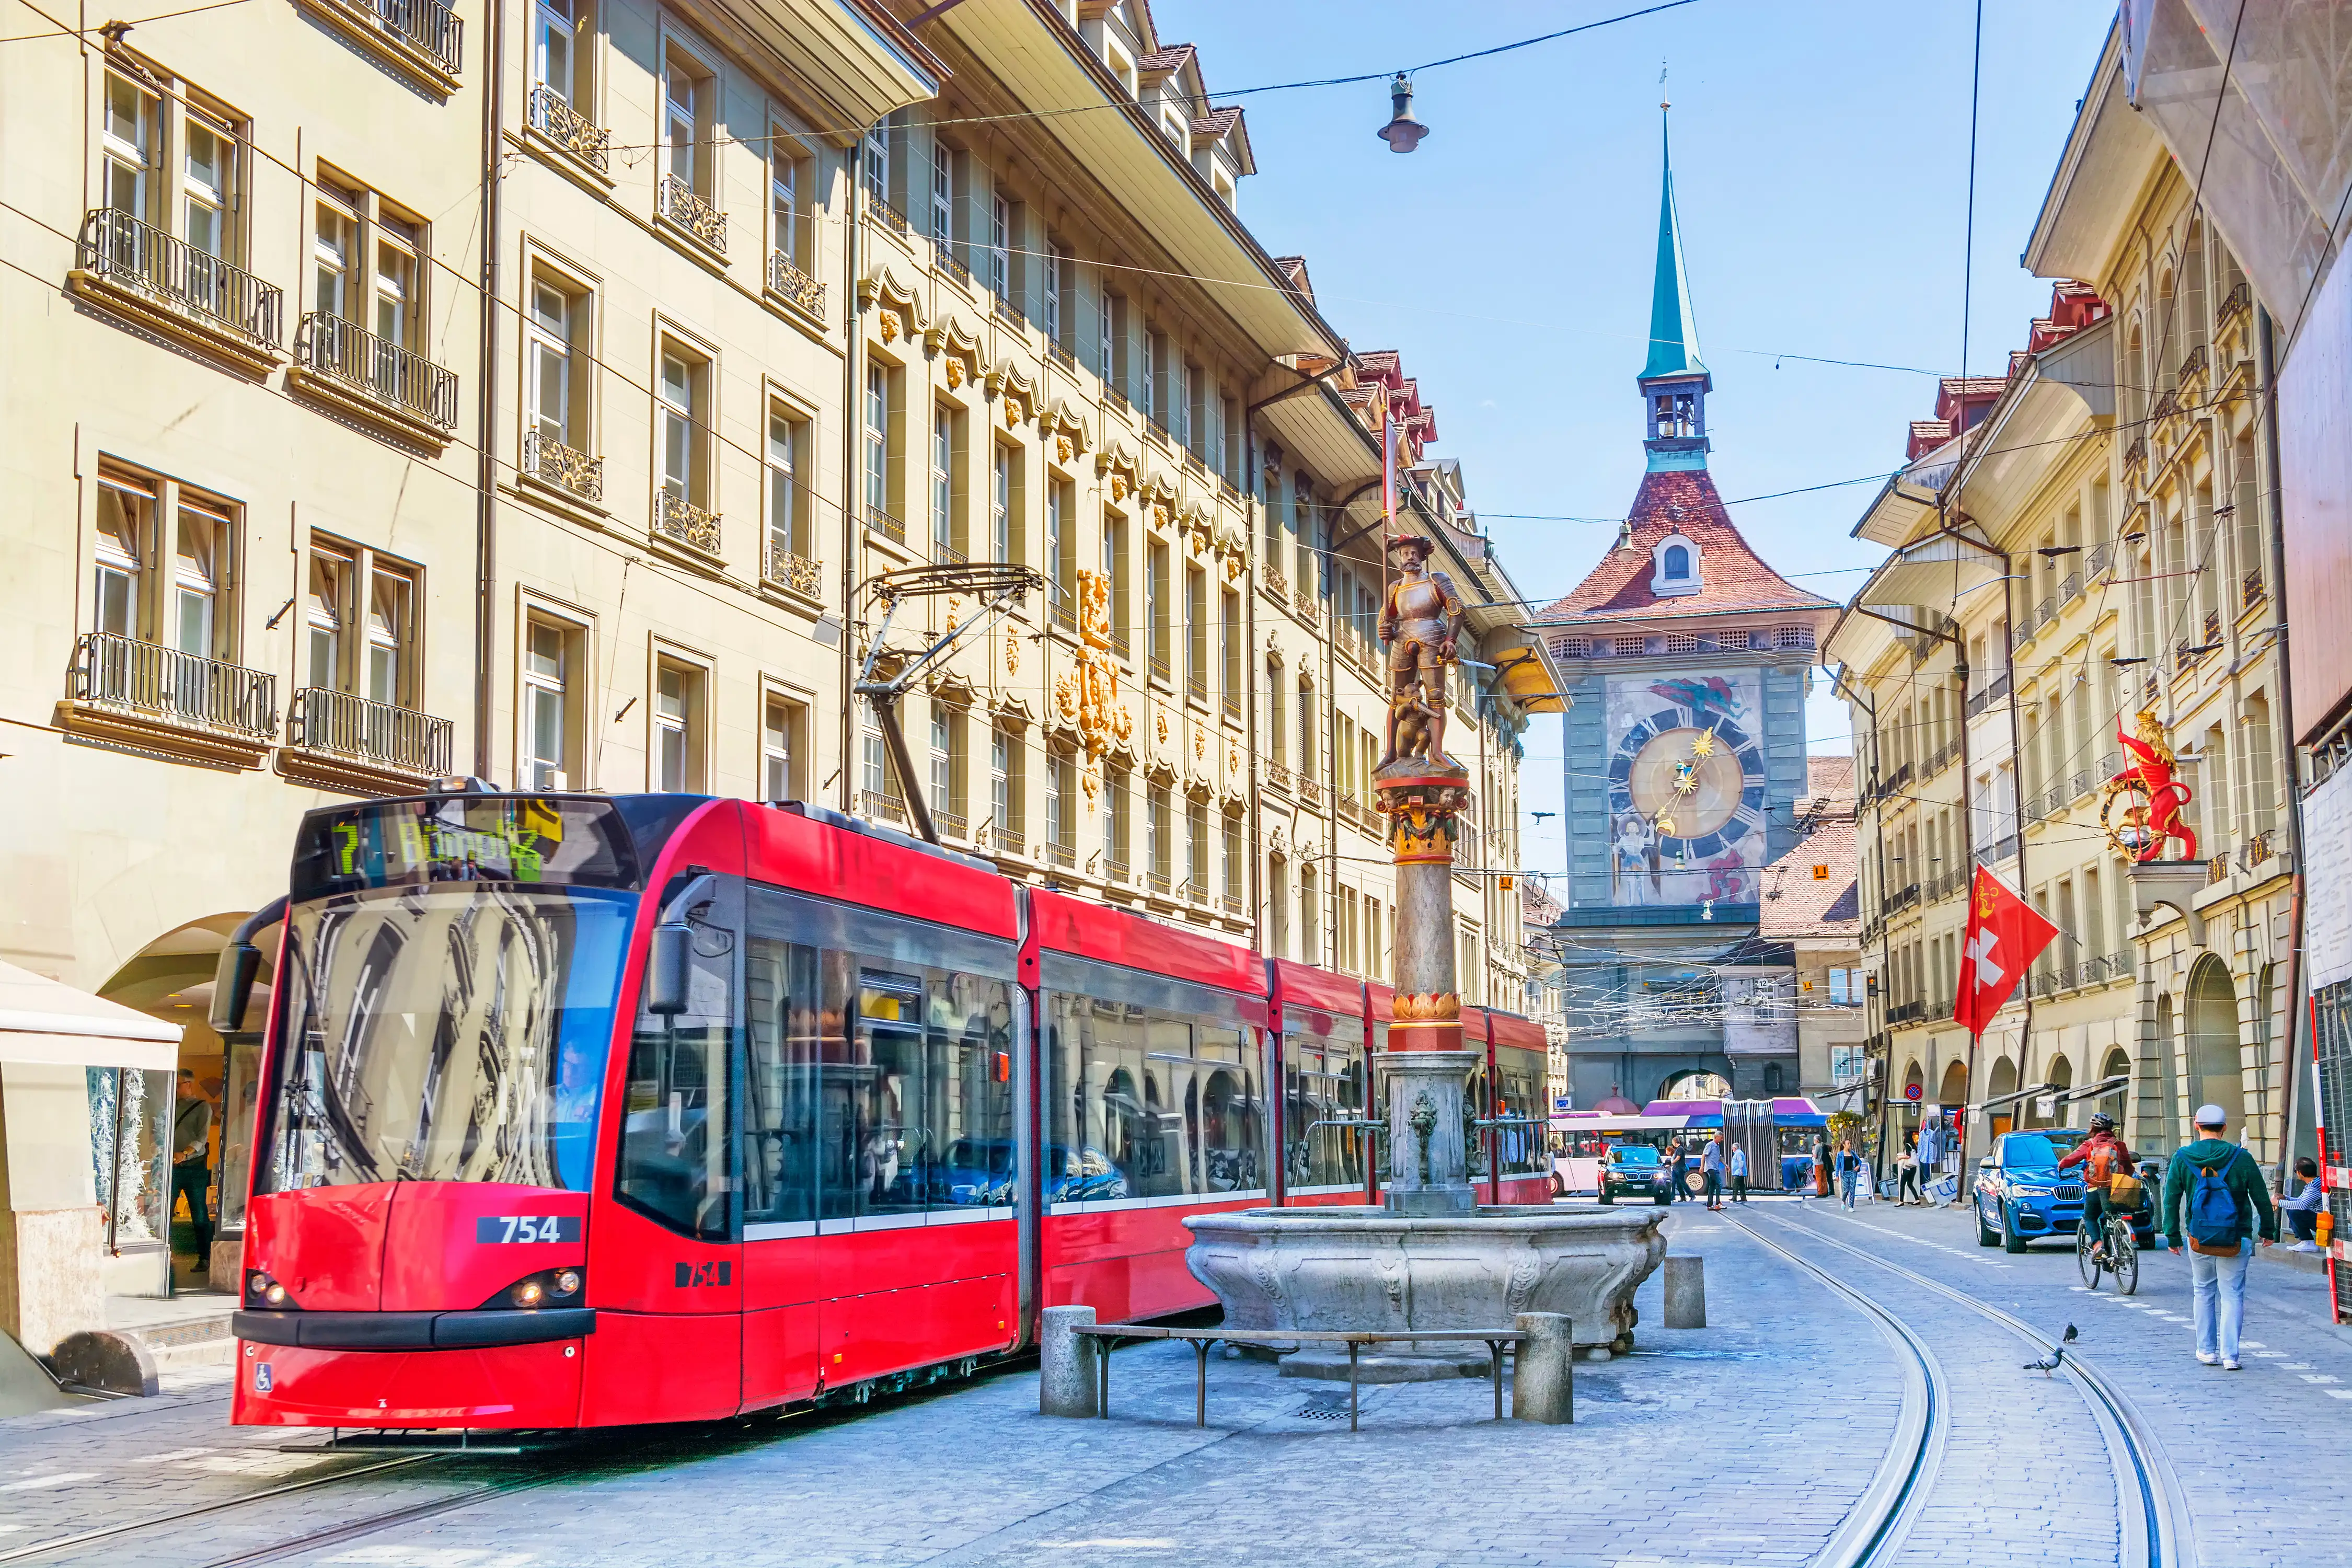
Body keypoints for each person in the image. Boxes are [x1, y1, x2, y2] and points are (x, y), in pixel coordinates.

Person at [2163, 1103, 2278, 1370]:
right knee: (2233, 1294)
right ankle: (2231, 1356)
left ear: (2196, 1125)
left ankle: (2206, 1351)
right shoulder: (2241, 1157)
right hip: (2236, 1237)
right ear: (2224, 1128)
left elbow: (2170, 1200)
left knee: (2203, 1291)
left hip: (2199, 1238)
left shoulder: (2182, 1157)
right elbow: (2261, 1197)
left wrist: (2172, 1236)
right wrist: (2267, 1231)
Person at [2057, 1112, 2137, 1261]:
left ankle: (2098, 1246)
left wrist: (2061, 1165)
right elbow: (2129, 1167)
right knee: (2111, 1216)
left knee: (2089, 1217)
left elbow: (2072, 1159)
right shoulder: (2119, 1145)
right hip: (2117, 1188)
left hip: (2096, 1188)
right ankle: (2119, 1240)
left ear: (2093, 1127)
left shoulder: (2090, 1144)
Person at [170, 1068, 214, 1277]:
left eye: (179, 1084)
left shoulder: (202, 1107)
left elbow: (202, 1137)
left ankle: (205, 1257)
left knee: (199, 1213)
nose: (177, 1088)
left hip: (194, 1166)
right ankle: (165, 1253)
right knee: (165, 1213)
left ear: (189, 1084)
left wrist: (184, 1153)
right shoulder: (171, 1106)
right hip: (173, 1166)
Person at [2281, 1156, 2325, 1252]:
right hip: (2322, 1219)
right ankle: (2304, 1241)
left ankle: (2308, 1242)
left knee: (2294, 1212)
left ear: (2300, 1173)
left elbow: (2302, 1205)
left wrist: (2279, 1202)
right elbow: (2300, 1200)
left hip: (2324, 1222)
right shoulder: (2316, 1182)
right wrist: (2285, 1198)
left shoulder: (2313, 1187)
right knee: (2291, 1208)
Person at [1700, 1133, 1726, 1211]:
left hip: (1715, 1168)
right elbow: (1704, 1155)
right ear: (1716, 1137)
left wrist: (1726, 1165)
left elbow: (1719, 1157)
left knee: (1712, 1186)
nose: (1722, 1140)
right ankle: (1718, 1203)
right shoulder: (1710, 1145)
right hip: (1710, 1168)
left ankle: (1710, 1205)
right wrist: (1702, 1167)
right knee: (1719, 1184)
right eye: (1721, 1138)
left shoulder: (1717, 1146)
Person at [1896, 1133, 1923, 1206]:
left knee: (1902, 1184)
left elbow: (1908, 1156)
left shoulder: (1908, 1146)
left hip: (1907, 1168)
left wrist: (1900, 1158)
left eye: (1904, 1136)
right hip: (1913, 1168)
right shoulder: (1914, 1146)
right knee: (1910, 1184)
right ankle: (1917, 1199)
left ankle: (1901, 1201)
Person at [1837, 1138, 1863, 1209]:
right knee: (1846, 1189)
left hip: (1853, 1173)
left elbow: (1859, 1161)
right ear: (1844, 1145)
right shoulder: (1840, 1154)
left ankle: (1851, 1206)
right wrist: (1837, 1175)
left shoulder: (1852, 1153)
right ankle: (1843, 1200)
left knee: (1852, 1190)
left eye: (1850, 1143)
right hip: (1845, 1173)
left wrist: (1858, 1167)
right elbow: (1838, 1165)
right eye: (1848, 1144)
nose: (1850, 1145)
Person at [1727, 1140, 1749, 1205]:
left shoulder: (1738, 1153)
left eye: (1732, 1148)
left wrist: (1741, 1170)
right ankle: (1743, 1198)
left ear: (1735, 1148)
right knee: (1742, 1185)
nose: (1732, 1149)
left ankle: (1734, 1197)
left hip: (1739, 1172)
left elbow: (1741, 1162)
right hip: (1739, 1172)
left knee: (1736, 1185)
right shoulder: (1739, 1153)